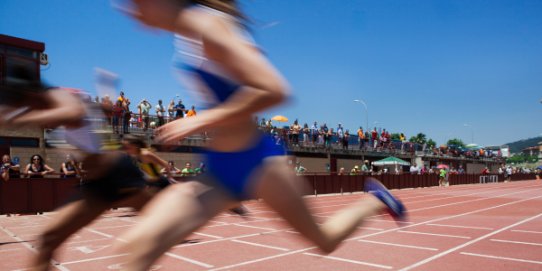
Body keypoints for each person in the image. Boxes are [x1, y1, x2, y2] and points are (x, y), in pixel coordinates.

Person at [114, 1, 406, 270]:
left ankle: (374, 201)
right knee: (136, 248)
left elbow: (272, 88)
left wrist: (198, 120)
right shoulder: (187, 35)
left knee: (324, 240)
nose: (126, 9)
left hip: (259, 163)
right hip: (218, 171)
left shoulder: (207, 25)